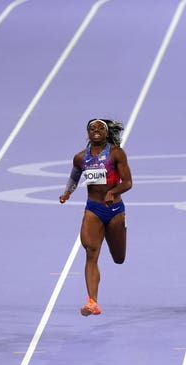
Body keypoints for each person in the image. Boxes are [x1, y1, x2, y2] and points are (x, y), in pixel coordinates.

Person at [59, 118, 133, 316]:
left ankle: (94, 299)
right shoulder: (80, 158)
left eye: (101, 127)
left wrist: (113, 191)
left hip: (115, 211)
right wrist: (67, 193)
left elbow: (128, 182)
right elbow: (74, 177)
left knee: (119, 258)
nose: (96, 130)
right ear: (88, 133)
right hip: (93, 210)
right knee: (91, 252)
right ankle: (92, 302)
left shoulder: (116, 153)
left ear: (107, 132)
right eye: (92, 128)